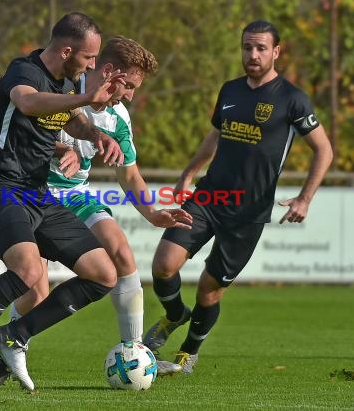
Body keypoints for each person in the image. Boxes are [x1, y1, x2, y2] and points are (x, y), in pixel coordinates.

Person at [0, 36, 194, 390]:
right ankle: (4, 361)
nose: (132, 96)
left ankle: (134, 352)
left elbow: (130, 174)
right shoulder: (60, 90)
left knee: (120, 251)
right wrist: (59, 150)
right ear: (109, 72)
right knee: (34, 293)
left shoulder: (118, 116)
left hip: (74, 194)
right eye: (130, 85)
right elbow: (21, 136)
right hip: (33, 192)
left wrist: (152, 213)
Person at [0, 12, 130, 393]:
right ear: (68, 50)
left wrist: (93, 136)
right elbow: (28, 103)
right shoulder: (24, 71)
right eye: (89, 58)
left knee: (103, 273)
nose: (91, 66)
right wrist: (88, 95)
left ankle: (15, 335)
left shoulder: (64, 81)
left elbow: (70, 119)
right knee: (28, 271)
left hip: (37, 193)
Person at [143, 20, 333, 374]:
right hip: (209, 197)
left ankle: (188, 352)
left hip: (248, 212)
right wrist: (188, 173)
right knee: (163, 265)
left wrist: (305, 198)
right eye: (247, 47)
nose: (253, 54)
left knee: (209, 291)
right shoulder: (230, 90)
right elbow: (215, 137)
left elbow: (324, 150)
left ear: (277, 51)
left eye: (261, 48)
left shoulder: (292, 98)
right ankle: (173, 315)